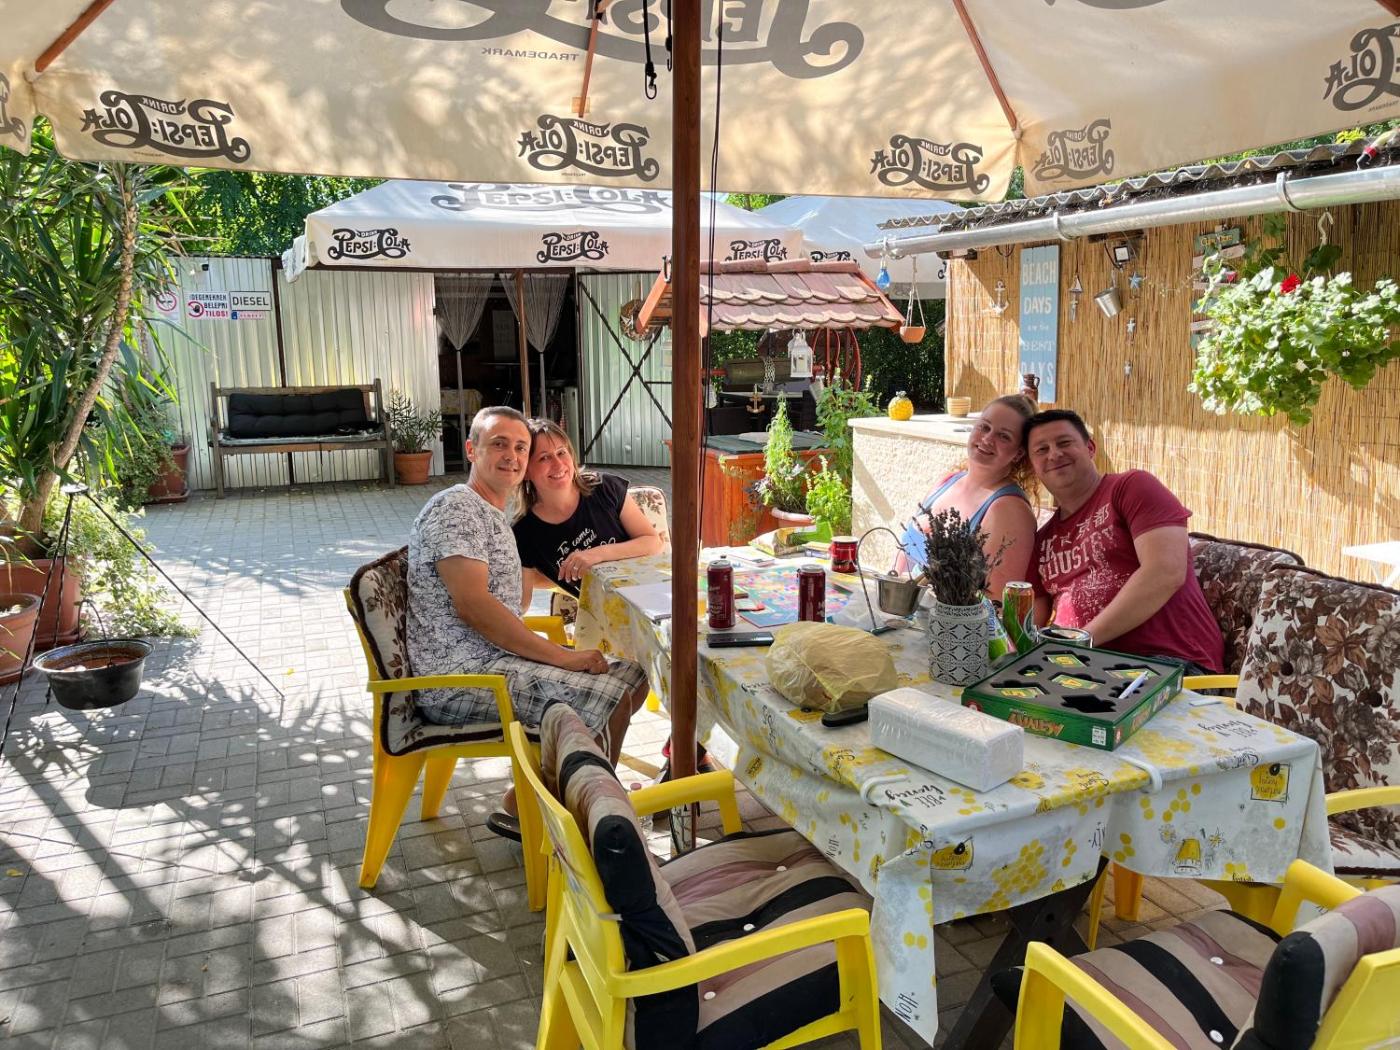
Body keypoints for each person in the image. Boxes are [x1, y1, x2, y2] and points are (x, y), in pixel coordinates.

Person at [407, 406, 650, 840]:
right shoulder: (457, 509)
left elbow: (510, 601)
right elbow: (474, 606)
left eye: (521, 447)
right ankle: (585, 820)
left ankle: (545, 805)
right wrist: (562, 656)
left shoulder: (492, 515)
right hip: (463, 680)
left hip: (493, 663)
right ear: (471, 450)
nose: (512, 456)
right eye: (499, 444)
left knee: (631, 676)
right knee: (613, 694)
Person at [1023, 409, 1224, 673]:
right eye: (1042, 449)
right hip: (1082, 669)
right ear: (1032, 465)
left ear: (1090, 448)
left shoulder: (1131, 488)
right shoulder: (1041, 540)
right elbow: (1030, 621)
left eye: (1064, 442)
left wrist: (1080, 642)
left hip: (1167, 663)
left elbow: (1166, 571)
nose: (1054, 454)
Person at [896, 394, 1038, 596]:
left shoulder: (1010, 510)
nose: (987, 439)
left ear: (1019, 453)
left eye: (1004, 436)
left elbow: (996, 602)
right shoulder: (947, 481)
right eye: (984, 427)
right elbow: (902, 562)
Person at [512, 418, 663, 605]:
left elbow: (652, 542)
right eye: (544, 458)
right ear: (525, 470)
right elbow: (521, 602)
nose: (558, 464)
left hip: (651, 594)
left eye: (561, 452)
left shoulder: (604, 487)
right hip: (602, 615)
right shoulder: (523, 532)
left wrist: (596, 555)